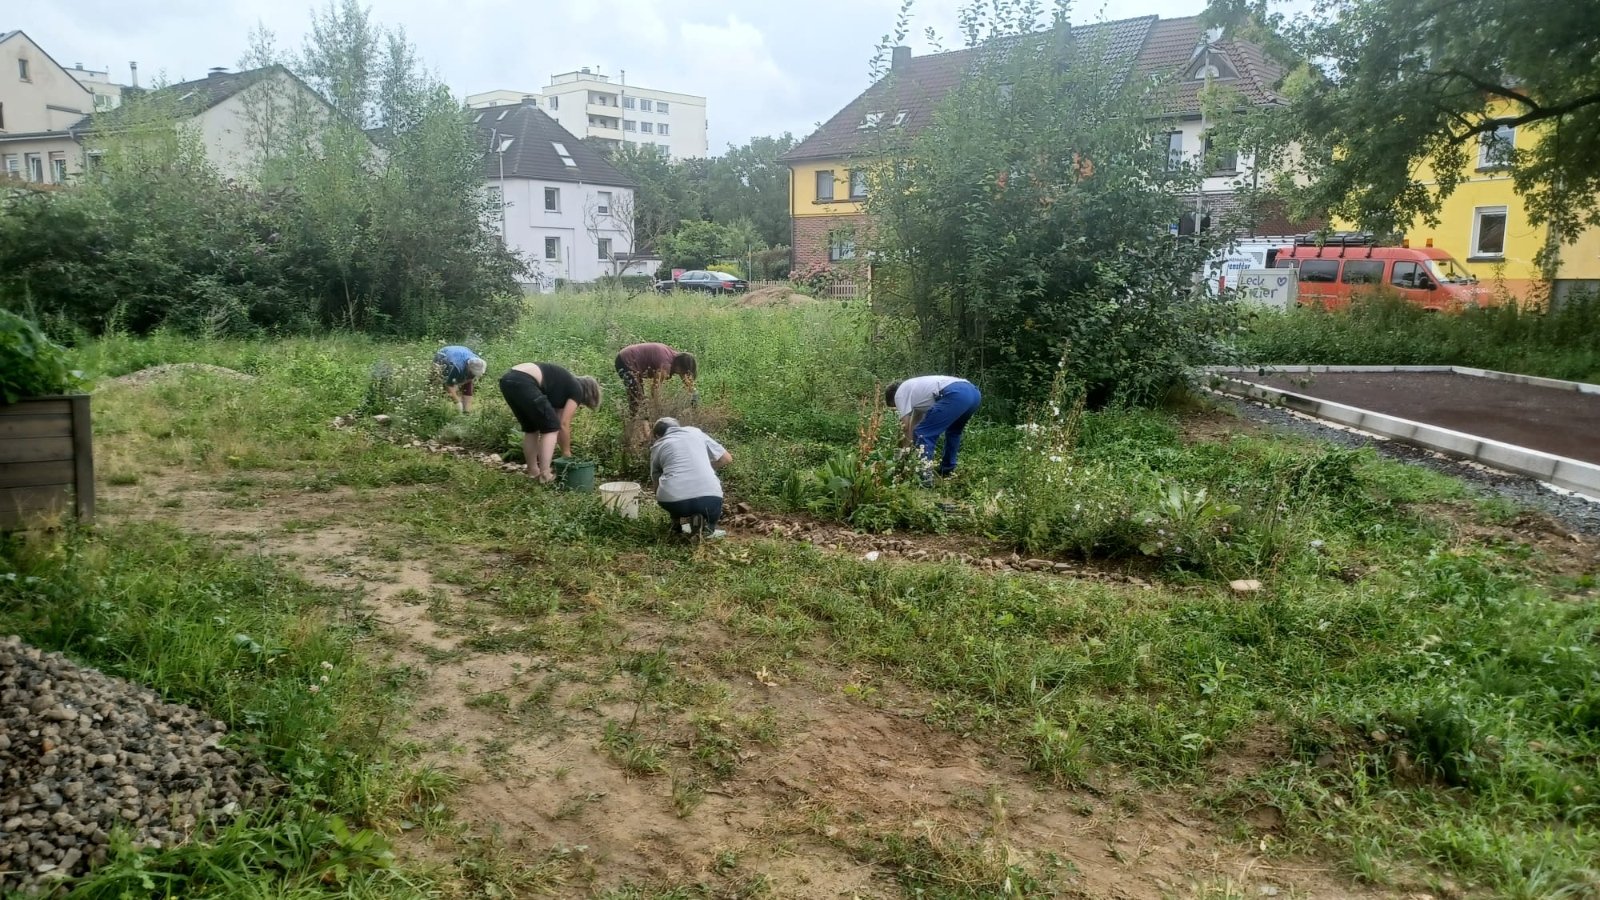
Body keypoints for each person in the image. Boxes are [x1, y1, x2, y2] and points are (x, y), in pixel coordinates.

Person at [497, 363, 603, 483]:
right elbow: (563, 424)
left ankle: (533, 472)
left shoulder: (561, 386)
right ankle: (545, 474)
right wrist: (566, 452)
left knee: (531, 429)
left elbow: (557, 420)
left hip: (507, 380)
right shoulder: (577, 390)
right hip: (525, 381)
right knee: (551, 428)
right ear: (589, 393)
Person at [884, 376, 982, 480]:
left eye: (895, 407)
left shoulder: (899, 394)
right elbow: (913, 426)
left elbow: (905, 428)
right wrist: (907, 448)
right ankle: (947, 470)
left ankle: (925, 476)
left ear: (893, 399)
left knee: (924, 433)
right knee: (953, 432)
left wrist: (900, 456)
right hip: (973, 393)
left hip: (956, 393)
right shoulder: (916, 393)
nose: (898, 409)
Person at [649, 417, 732, 539]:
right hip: (709, 498)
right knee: (710, 502)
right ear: (678, 427)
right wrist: (706, 467)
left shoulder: (658, 445)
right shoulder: (696, 432)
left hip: (675, 502)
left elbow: (656, 480)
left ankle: (676, 524)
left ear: (657, 436)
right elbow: (726, 459)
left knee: (669, 482)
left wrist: (663, 499)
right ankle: (708, 528)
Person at [615, 343, 697, 416]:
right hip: (625, 361)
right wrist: (658, 410)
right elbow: (655, 390)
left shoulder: (673, 356)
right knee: (638, 402)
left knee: (640, 401)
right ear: (680, 367)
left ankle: (639, 422)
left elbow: (686, 379)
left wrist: (694, 394)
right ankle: (635, 425)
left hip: (628, 358)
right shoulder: (665, 365)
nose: (681, 375)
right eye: (683, 372)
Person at [433, 345, 487, 413]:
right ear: (469, 368)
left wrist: (467, 410)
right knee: (437, 381)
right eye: (472, 373)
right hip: (443, 355)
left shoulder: (478, 362)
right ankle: (432, 404)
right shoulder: (456, 366)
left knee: (465, 381)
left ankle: (467, 411)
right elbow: (448, 385)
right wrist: (457, 402)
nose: (474, 375)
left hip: (461, 351)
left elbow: (469, 381)